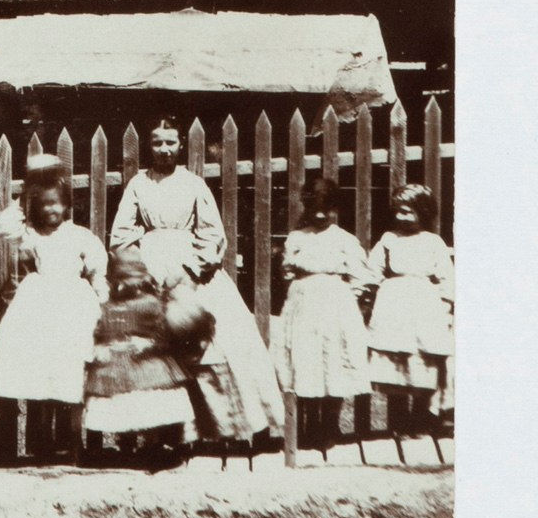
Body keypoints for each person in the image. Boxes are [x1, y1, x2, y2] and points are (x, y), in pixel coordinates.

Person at [108, 117, 285, 442]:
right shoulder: (138, 184)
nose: (164, 149)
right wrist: (142, 269)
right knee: (154, 351)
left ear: (180, 145)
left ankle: (231, 428)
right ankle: (167, 434)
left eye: (170, 142)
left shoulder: (193, 184)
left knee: (217, 342)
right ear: (150, 145)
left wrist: (190, 270)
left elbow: (212, 234)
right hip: (151, 269)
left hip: (193, 271)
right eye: (157, 143)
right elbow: (120, 236)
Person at [0, 162, 107, 459]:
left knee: (71, 367)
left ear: (67, 205)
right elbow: (4, 227)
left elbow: (97, 269)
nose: (50, 209)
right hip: (40, 306)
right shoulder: (31, 235)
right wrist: (26, 193)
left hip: (73, 306)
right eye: (43, 204)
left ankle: (73, 441)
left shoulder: (80, 235)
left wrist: (102, 300)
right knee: (42, 367)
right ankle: (40, 441)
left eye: (55, 203)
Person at [272, 178, 377, 452]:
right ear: (306, 207)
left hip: (335, 308)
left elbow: (360, 276)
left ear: (335, 209)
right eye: (314, 209)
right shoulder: (297, 238)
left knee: (333, 361)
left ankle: (330, 425)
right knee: (305, 360)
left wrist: (347, 300)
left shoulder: (345, 240)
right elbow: (287, 271)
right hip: (303, 307)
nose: (320, 215)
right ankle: (307, 425)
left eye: (326, 209)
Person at [83, 248, 204, 467]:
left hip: (145, 358)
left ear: (142, 279)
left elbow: (162, 333)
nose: (127, 286)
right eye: (121, 281)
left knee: (151, 396)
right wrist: (101, 346)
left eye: (132, 280)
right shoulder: (109, 307)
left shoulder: (151, 304)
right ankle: (125, 443)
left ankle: (155, 443)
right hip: (116, 361)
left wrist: (148, 343)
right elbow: (101, 332)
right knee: (119, 400)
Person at [368, 183, 455, 438]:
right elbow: (373, 270)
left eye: (408, 212)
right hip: (393, 307)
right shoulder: (389, 239)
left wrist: (445, 304)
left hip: (424, 307)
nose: (402, 217)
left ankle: (421, 420)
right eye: (399, 211)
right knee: (395, 360)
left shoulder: (433, 242)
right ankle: (398, 422)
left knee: (422, 361)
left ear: (423, 212)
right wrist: (373, 290)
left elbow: (447, 277)